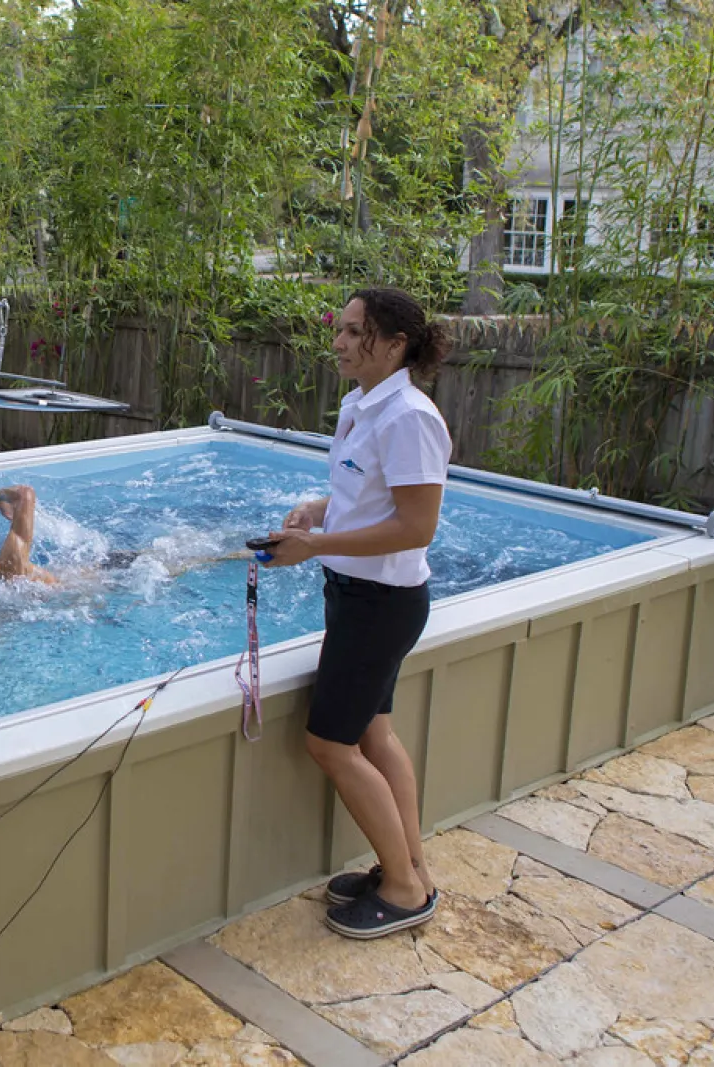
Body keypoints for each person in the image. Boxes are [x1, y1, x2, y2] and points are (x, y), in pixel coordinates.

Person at [261, 287, 452, 940]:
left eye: (353, 332)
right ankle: (411, 867)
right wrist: (320, 510)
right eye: (338, 330)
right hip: (360, 597)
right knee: (374, 734)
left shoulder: (409, 418)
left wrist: (314, 545)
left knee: (329, 742)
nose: (338, 342)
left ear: (394, 345)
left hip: (382, 603)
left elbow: (416, 526)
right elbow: (369, 497)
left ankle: (402, 889)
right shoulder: (360, 406)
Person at [0, 485, 145, 597]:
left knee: (174, 561)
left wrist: (0, 497)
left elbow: (26, 493)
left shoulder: (11, 571)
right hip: (100, 574)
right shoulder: (7, 593)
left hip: (117, 573)